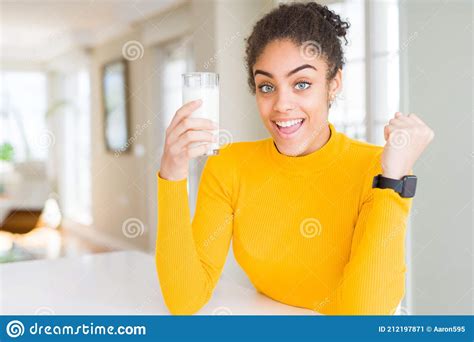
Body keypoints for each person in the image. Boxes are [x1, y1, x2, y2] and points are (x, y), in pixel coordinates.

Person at [156, 2, 434, 315]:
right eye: (267, 86)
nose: (281, 104)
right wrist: (172, 174)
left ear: (334, 84)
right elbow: (184, 300)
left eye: (301, 84)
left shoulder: (379, 170)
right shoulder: (229, 166)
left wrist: (392, 181)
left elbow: (364, 316)